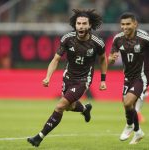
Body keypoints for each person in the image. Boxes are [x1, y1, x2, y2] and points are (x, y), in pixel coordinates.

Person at [27, 9, 107, 147]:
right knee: (69, 106)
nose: (81, 26)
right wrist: (48, 77)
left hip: (83, 80)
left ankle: (39, 137)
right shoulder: (67, 39)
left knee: (60, 106)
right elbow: (56, 59)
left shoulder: (97, 43)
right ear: (75, 25)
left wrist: (103, 79)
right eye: (78, 23)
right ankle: (85, 110)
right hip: (68, 77)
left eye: (84, 23)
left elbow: (103, 59)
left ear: (89, 25)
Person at [108, 12, 148, 144]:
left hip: (142, 76)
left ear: (135, 24)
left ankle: (129, 126)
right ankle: (138, 132)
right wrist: (111, 59)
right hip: (127, 77)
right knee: (127, 106)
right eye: (123, 24)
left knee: (127, 102)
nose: (125, 27)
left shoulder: (144, 38)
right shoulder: (118, 39)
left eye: (128, 24)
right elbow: (110, 59)